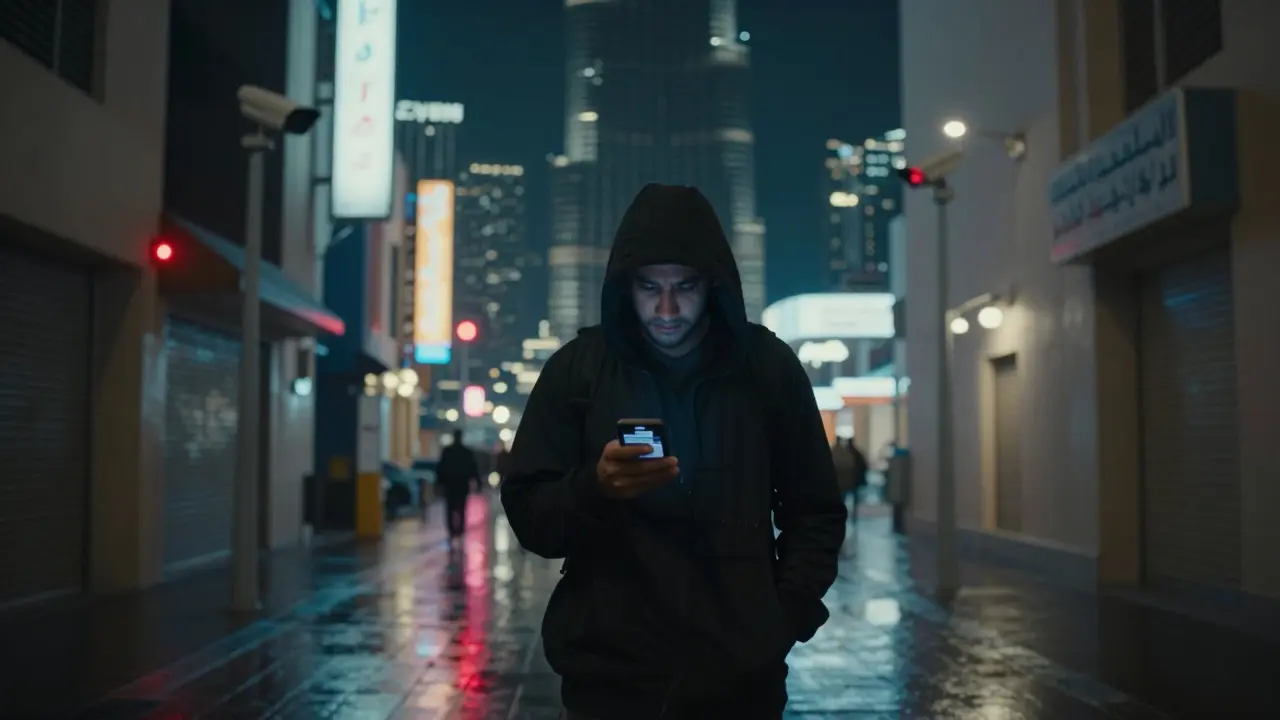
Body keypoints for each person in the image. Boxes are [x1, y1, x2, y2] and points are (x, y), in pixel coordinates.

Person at [501, 183, 847, 719]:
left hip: (739, 678)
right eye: (648, 287)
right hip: (609, 675)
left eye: (684, 286)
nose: (666, 308)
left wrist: (782, 618)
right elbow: (531, 518)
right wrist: (595, 488)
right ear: (624, 286)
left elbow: (816, 512)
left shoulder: (766, 368)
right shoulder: (578, 370)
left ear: (715, 285)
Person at [436, 428, 479, 541]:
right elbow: (473, 469)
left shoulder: (448, 451)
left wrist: (439, 483)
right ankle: (459, 530)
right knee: (461, 508)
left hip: (450, 485)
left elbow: (441, 468)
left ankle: (452, 530)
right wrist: (477, 482)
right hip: (461, 485)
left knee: (450, 508)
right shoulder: (466, 452)